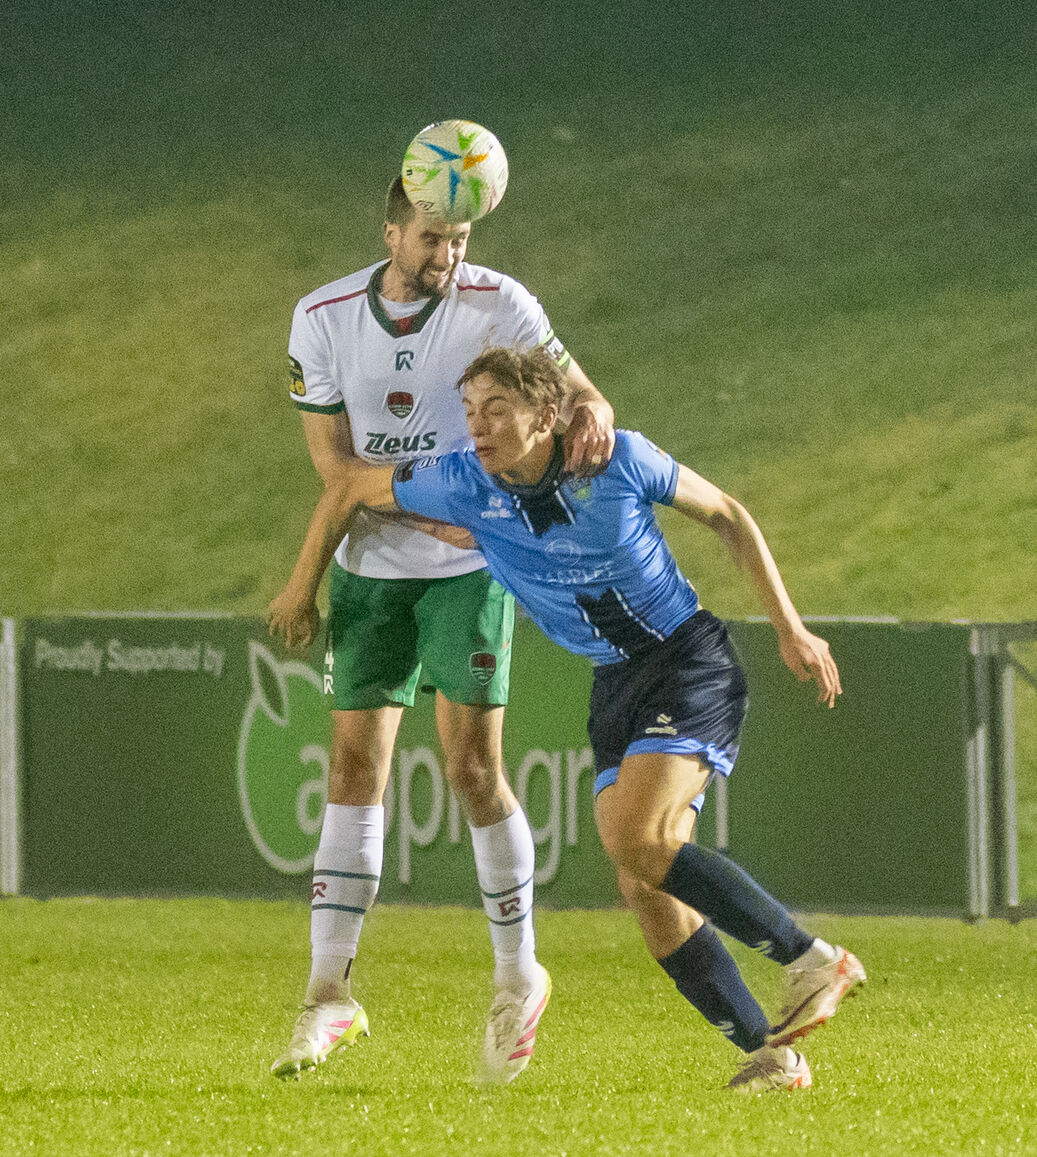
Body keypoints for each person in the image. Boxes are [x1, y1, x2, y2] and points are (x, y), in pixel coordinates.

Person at [269, 345, 867, 1093]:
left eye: (496, 410)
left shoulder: (619, 461)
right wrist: (302, 589)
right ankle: (769, 1052)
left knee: (635, 837)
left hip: (685, 661)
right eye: (469, 412)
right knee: (644, 886)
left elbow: (728, 515)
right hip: (614, 681)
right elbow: (350, 485)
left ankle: (813, 961)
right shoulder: (462, 482)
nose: (477, 428)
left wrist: (788, 626)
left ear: (547, 416)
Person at [269, 177, 616, 1085]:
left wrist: (595, 415)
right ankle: (326, 995)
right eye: (431, 237)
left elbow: (579, 394)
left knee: (471, 769)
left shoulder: (501, 303)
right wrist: (329, 569)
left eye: (458, 238)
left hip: (468, 571)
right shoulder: (324, 318)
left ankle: (516, 978)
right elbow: (333, 467)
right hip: (370, 570)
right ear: (391, 229)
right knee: (353, 768)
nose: (446, 255)